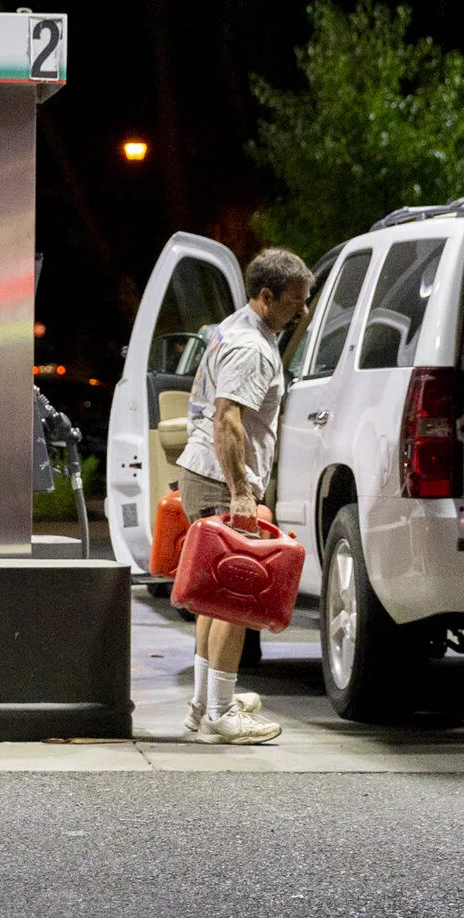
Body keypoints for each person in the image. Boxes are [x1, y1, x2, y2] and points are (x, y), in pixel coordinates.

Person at [173, 247, 314, 745]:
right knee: (236, 595)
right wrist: (240, 491)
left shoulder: (233, 328)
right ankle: (221, 711)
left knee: (214, 597)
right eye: (296, 301)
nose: (304, 311)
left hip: (203, 473)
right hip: (221, 479)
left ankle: (203, 703)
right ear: (265, 296)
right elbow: (227, 416)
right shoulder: (251, 348)